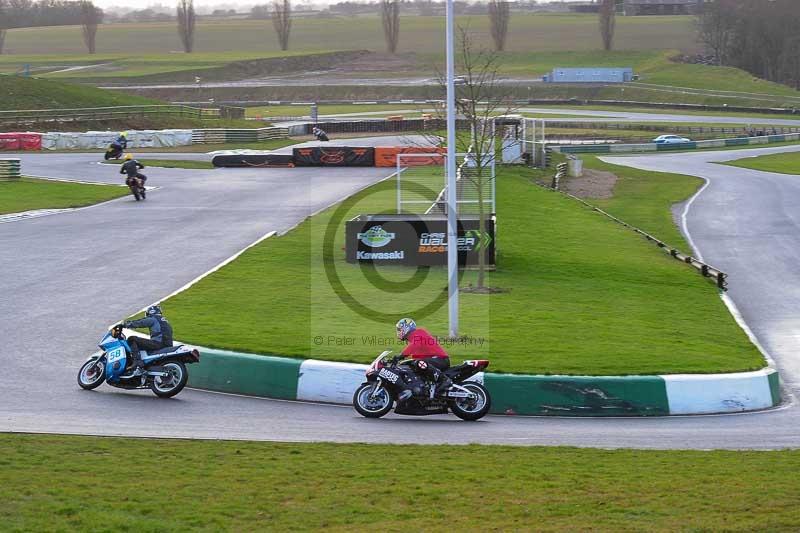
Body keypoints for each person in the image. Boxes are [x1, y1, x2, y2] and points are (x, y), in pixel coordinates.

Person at [395, 318, 452, 399]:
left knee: (418, 363)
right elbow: (416, 356)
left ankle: (444, 380)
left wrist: (401, 355)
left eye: (400, 329)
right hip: (433, 360)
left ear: (407, 328)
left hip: (440, 359)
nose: (399, 332)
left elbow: (415, 345)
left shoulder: (419, 332)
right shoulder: (412, 339)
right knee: (413, 364)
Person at [121, 305, 173, 375]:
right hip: (168, 346)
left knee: (132, 339)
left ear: (150, 312)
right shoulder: (166, 321)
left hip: (158, 343)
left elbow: (141, 322)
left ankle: (137, 362)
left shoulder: (153, 318)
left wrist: (126, 324)